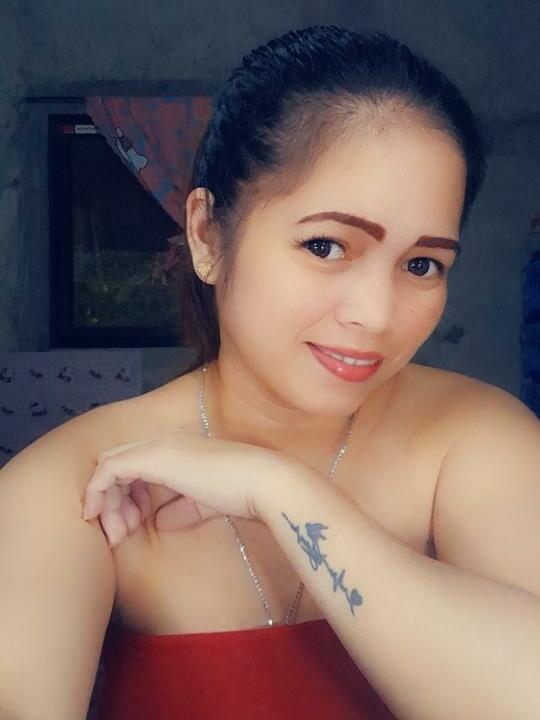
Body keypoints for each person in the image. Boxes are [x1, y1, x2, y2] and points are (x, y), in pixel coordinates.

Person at [1, 25, 540, 720]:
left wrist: (280, 490)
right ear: (207, 235)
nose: (377, 315)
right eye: (326, 246)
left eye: (422, 264)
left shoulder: (478, 438)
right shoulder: (81, 485)